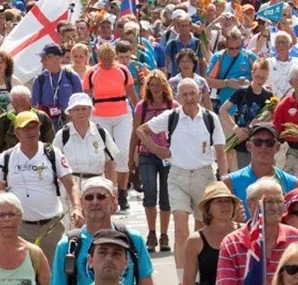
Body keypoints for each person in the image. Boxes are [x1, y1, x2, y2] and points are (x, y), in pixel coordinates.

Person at [136, 78, 227, 281]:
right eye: (184, 94)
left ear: (199, 94)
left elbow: (220, 151)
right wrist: (158, 150)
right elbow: (141, 130)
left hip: (204, 176)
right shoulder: (171, 116)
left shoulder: (210, 118)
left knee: (201, 230)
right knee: (180, 229)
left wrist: (224, 178)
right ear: (178, 97)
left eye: (192, 93)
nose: (189, 98)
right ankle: (182, 279)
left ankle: (198, 276)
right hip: (177, 175)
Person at [0, 110, 83, 261]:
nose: (31, 132)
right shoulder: (6, 158)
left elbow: (70, 184)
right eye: (26, 128)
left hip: (51, 226)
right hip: (21, 227)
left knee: (53, 273)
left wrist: (77, 207)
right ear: (17, 132)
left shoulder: (53, 153)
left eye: (34, 127)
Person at [49, 177, 154, 285]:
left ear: (113, 200)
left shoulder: (133, 239)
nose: (95, 202)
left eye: (101, 196)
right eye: (89, 197)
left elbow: (146, 280)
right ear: (81, 203)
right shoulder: (68, 245)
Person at [215, 177, 298, 285]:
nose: (275, 207)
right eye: (269, 202)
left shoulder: (294, 238)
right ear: (250, 204)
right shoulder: (231, 243)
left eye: (279, 201)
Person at [85, 43, 139, 212]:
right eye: (104, 59)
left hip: (122, 114)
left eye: (110, 59)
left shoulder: (122, 70)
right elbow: (86, 97)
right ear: (98, 58)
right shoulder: (91, 73)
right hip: (100, 115)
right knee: (105, 156)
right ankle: (109, 191)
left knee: (122, 153)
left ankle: (122, 191)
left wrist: (141, 113)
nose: (107, 62)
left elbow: (132, 95)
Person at [130, 71, 176, 252]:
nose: (156, 88)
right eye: (152, 85)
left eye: (159, 84)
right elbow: (136, 133)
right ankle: (151, 232)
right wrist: (130, 157)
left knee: (166, 197)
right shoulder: (142, 107)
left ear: (165, 86)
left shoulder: (173, 106)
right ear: (147, 87)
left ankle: (164, 235)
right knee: (150, 192)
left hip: (167, 156)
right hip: (147, 154)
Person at [0, 193, 50, 285]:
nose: (7, 219)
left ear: (20, 218)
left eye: (12, 214)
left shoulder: (35, 254)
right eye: (0, 215)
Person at [226, 122, 298, 214]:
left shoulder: (293, 184)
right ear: (248, 146)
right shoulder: (230, 182)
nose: (263, 147)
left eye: (269, 142)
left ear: (277, 147)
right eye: (258, 142)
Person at [54, 92, 121, 190]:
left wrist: (114, 190)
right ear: (70, 113)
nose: (81, 112)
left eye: (84, 109)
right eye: (77, 109)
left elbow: (110, 166)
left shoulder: (101, 133)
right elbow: (54, 164)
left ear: (90, 111)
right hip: (71, 188)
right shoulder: (62, 135)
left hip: (97, 188)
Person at [220, 58, 274, 170]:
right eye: (257, 76)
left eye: (263, 78)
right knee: (244, 170)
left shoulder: (268, 95)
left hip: (259, 141)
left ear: (267, 77)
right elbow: (223, 110)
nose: (260, 80)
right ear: (252, 73)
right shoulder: (242, 91)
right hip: (243, 139)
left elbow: (271, 116)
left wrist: (263, 121)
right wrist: (235, 128)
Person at [182, 182, 241, 285]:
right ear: (208, 209)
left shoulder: (246, 231)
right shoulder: (195, 240)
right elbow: (188, 281)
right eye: (219, 201)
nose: (225, 205)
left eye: (228, 201)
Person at [0, 86, 56, 155]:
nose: (20, 105)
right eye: (16, 102)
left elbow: (51, 144)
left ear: (30, 100)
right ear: (11, 102)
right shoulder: (5, 119)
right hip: (13, 161)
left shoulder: (41, 117)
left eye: (23, 101)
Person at [32, 44, 83, 130]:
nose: (41, 61)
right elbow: (35, 106)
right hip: (47, 124)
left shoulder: (72, 76)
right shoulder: (39, 79)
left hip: (69, 121)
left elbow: (80, 102)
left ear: (56, 58)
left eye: (45, 58)